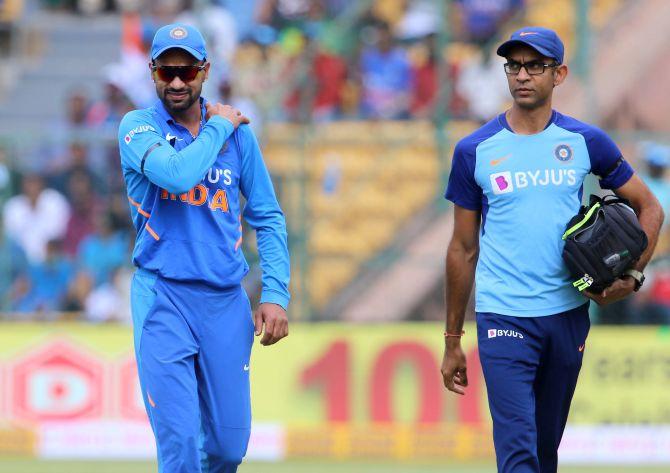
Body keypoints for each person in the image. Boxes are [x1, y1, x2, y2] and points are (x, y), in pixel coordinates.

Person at [441, 27, 663, 473]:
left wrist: (632, 276)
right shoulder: (474, 150)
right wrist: (452, 341)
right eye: (514, 65)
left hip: (566, 315)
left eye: (536, 65)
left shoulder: (586, 142)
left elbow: (650, 208)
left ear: (559, 74)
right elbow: (462, 249)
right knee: (518, 451)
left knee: (544, 453)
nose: (522, 75)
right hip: (503, 315)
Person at [117, 23, 290, 473]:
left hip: (224, 302)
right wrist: (217, 128)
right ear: (152, 71)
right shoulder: (138, 127)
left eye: (187, 71)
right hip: (164, 297)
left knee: (227, 450)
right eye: (167, 71)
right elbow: (177, 175)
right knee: (179, 446)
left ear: (204, 71)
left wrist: (275, 292)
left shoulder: (239, 136)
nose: (177, 82)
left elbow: (268, 216)